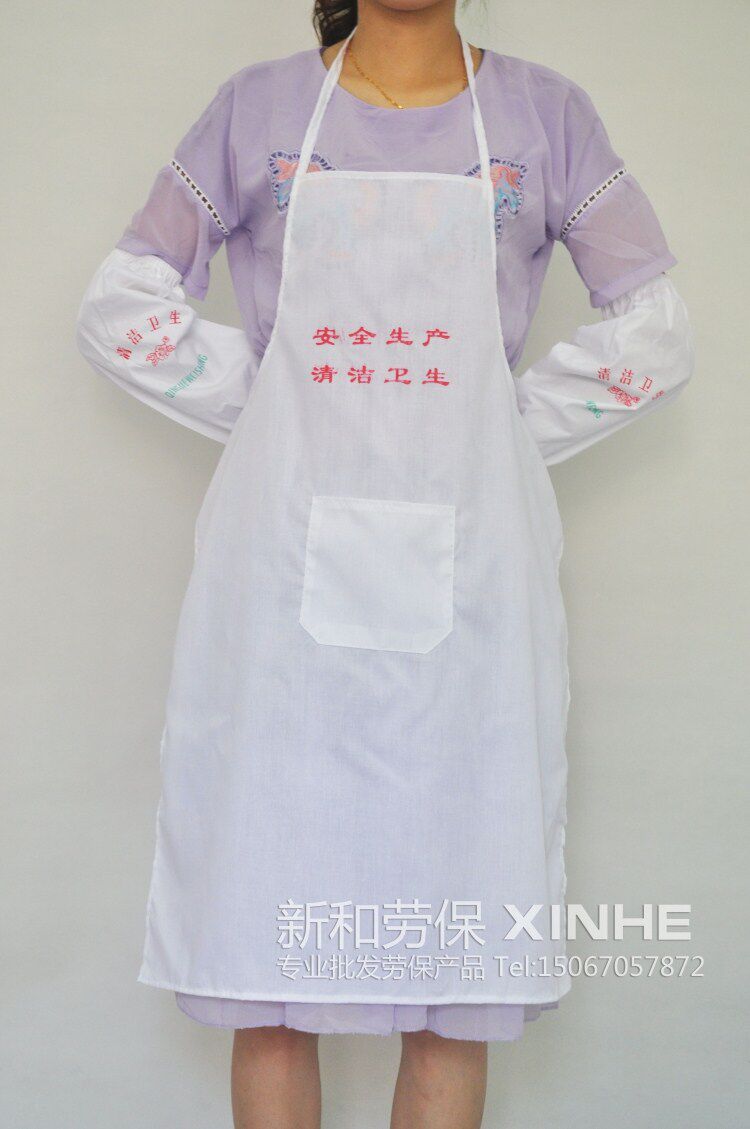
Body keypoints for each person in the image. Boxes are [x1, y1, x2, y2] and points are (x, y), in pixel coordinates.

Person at [75, 1, 694, 1126]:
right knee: (269, 962)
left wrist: (499, 430)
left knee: (452, 973)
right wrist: (277, 406)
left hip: (471, 600)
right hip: (280, 593)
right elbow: (121, 306)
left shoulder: (546, 119)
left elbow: (656, 331)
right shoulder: (256, 111)